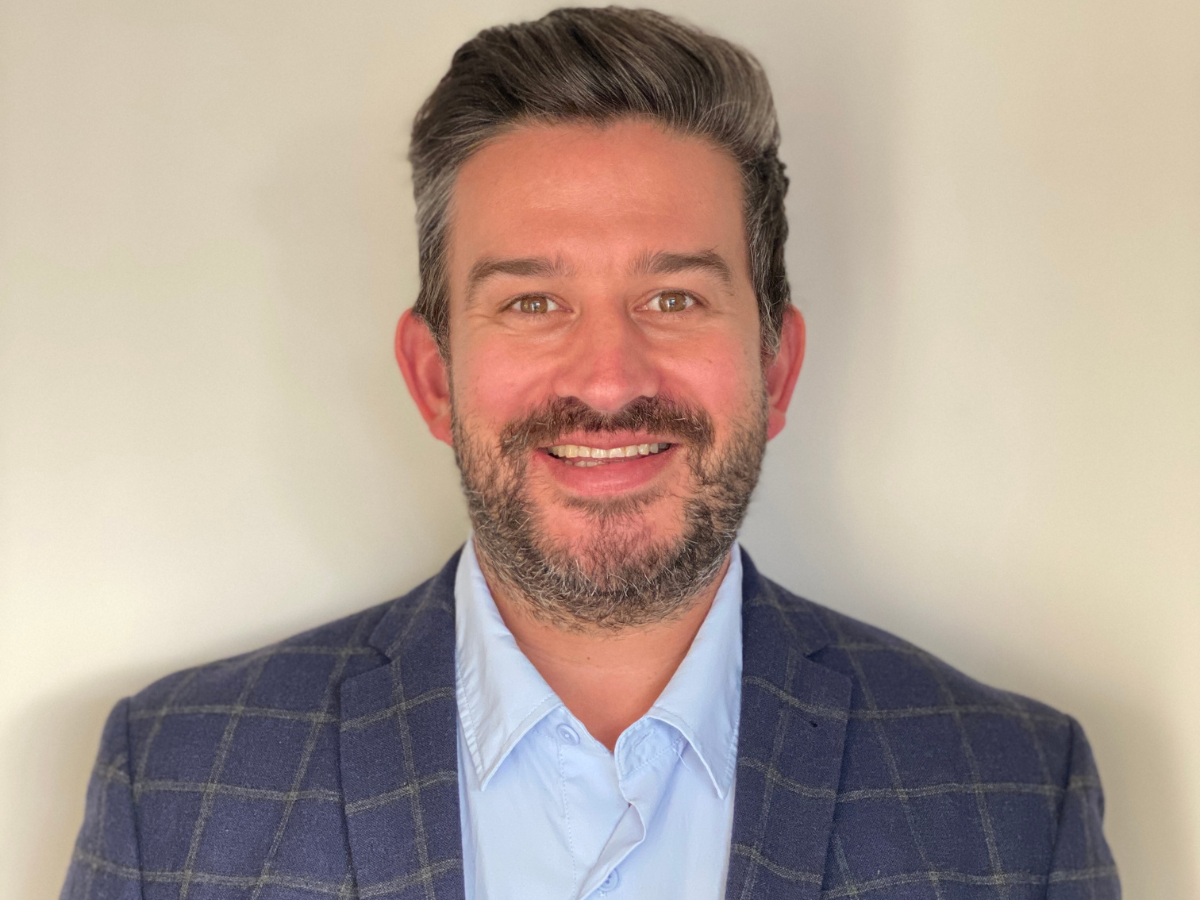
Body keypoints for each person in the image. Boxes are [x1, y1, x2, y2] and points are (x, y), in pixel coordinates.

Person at [61, 7, 1119, 900]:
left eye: (674, 298)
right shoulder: (175, 789)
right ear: (434, 379)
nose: (609, 381)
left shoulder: (1016, 797)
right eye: (532, 302)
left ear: (776, 369)